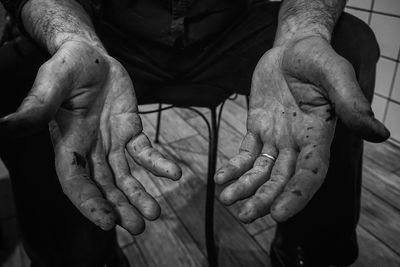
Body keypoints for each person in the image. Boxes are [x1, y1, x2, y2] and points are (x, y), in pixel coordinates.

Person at [0, 0, 389, 266]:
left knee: (347, 44)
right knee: (26, 70)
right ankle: (78, 258)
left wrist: (303, 32)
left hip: (230, 29)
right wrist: (71, 37)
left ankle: (309, 253)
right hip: (108, 35)